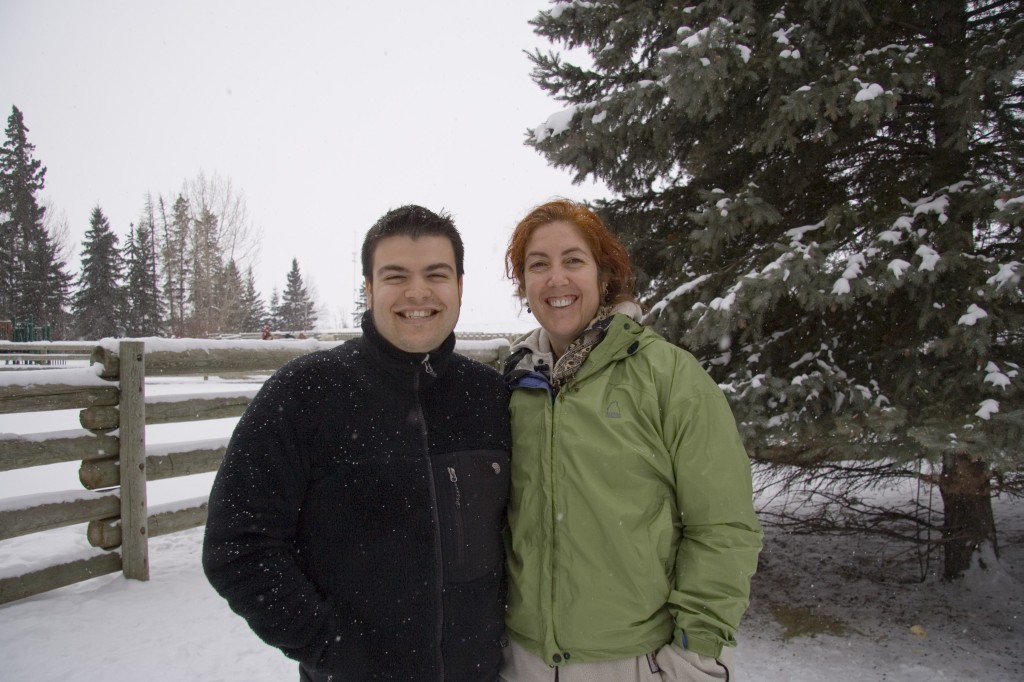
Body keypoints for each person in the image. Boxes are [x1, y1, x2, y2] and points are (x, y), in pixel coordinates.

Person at [203, 205, 512, 681]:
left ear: (460, 287)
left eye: (436, 274)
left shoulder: (490, 398)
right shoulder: (305, 393)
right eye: (395, 276)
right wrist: (332, 648)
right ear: (368, 289)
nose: (417, 292)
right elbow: (238, 545)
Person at [499, 199, 763, 681]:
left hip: (635, 662)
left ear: (604, 277)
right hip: (523, 661)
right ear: (524, 285)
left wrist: (693, 654)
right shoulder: (512, 383)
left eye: (573, 261)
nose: (556, 279)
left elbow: (723, 526)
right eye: (538, 265)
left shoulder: (669, 376)